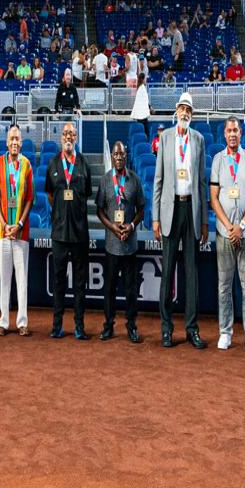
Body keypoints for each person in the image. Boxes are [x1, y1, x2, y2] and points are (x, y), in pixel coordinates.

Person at [152, 93, 209, 348]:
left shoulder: (199, 140)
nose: (184, 112)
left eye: (188, 109)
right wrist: (155, 218)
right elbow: (158, 181)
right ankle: (166, 328)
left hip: (192, 210)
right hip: (170, 209)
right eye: (181, 108)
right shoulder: (164, 138)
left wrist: (205, 220)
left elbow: (202, 183)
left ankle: (191, 329)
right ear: (175, 111)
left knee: (191, 274)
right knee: (167, 274)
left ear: (192, 115)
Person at [209, 116, 245, 353]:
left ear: (241, 134)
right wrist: (230, 228)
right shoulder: (218, 160)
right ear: (224, 134)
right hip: (224, 233)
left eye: (236, 130)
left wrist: (240, 225)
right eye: (229, 130)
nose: (232, 134)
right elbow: (213, 198)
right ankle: (225, 332)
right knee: (224, 286)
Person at [45, 121, 92, 340]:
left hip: (80, 233)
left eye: (72, 134)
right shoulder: (53, 164)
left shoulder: (84, 164)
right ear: (60, 137)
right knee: (59, 281)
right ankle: (56, 326)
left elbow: (88, 193)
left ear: (77, 137)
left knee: (80, 283)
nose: (68, 137)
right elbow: (50, 194)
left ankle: (79, 327)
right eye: (65, 133)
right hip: (60, 234)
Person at [95, 140, 145, 343]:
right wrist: (112, 227)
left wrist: (131, 226)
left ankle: (131, 326)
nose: (118, 157)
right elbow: (99, 209)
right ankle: (108, 326)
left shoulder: (135, 180)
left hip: (130, 245)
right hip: (111, 245)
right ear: (112, 157)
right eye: (115, 154)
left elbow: (141, 209)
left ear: (126, 156)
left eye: (121, 154)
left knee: (131, 290)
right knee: (109, 289)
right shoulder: (106, 180)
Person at [0, 124, 35, 336]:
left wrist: (18, 224)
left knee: (22, 279)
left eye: (18, 139)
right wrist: (4, 223)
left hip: (21, 232)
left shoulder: (27, 165)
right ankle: (3, 321)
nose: (15, 142)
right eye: (12, 139)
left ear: (21, 143)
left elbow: (29, 199)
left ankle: (22, 322)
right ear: (7, 142)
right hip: (3, 232)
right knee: (5, 277)